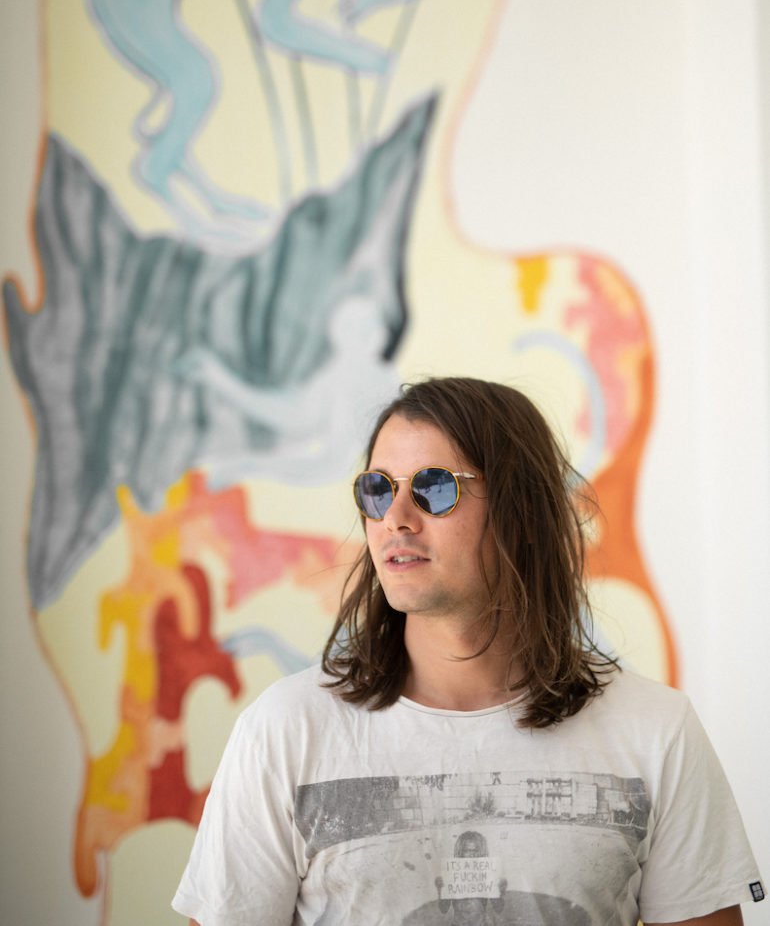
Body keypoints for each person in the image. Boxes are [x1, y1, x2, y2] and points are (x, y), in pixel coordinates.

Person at [172, 376, 764, 924]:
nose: (395, 519)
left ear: (521, 511)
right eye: (377, 490)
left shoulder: (655, 731)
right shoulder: (284, 732)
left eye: (434, 488)